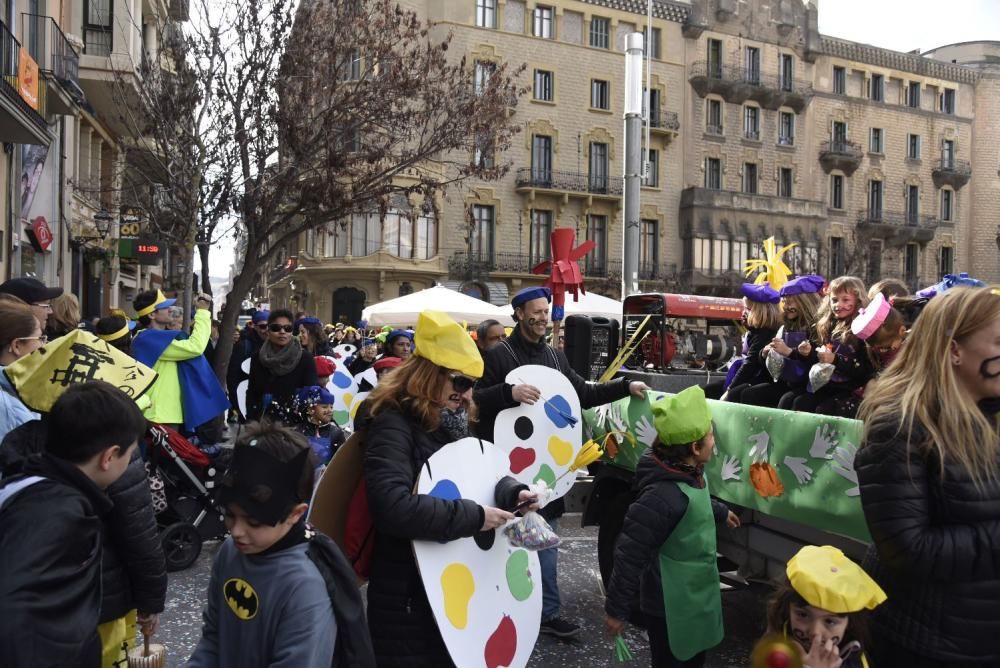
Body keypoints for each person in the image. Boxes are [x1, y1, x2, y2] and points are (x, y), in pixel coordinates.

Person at [363, 310, 538, 666]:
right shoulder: (392, 424)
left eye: (472, 383)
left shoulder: (452, 420)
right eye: (459, 382)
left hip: (451, 584)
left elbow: (473, 478)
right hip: (409, 593)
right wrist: (475, 517)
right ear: (428, 376)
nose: (467, 393)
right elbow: (392, 507)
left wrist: (513, 492)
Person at [475, 286, 649, 639]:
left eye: (546, 310)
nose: (542, 317)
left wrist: (624, 385)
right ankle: (500, 609)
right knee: (502, 541)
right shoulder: (498, 356)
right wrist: (509, 394)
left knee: (546, 542)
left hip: (546, 469)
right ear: (520, 314)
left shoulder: (556, 357)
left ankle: (548, 614)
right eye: (535, 311)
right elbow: (475, 402)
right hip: (505, 466)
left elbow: (583, 393)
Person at [856, 286, 1000, 666]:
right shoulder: (899, 426)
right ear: (954, 350)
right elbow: (907, 547)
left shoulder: (992, 416)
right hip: (927, 644)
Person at [187, 422, 374, 668]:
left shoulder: (305, 586)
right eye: (230, 515)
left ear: (296, 514)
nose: (236, 531)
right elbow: (213, 636)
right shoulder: (230, 552)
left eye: (254, 522)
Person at [0, 382, 147, 667]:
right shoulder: (59, 513)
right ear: (109, 457)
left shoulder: (28, 484)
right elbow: (12, 612)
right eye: (129, 455)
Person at [605, 386, 739, 667]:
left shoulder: (688, 473)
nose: (714, 442)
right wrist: (617, 610)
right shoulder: (660, 497)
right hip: (669, 606)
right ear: (694, 448)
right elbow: (630, 554)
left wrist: (719, 511)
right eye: (711, 435)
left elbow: (692, 503)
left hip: (694, 597)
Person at [765, 545, 886, 668]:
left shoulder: (854, 661)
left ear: (849, 624)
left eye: (829, 621)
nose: (815, 632)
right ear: (787, 609)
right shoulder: (776, 640)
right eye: (803, 614)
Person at [131, 290, 229, 432]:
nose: (170, 309)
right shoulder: (146, 339)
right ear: (152, 315)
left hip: (164, 414)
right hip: (158, 415)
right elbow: (195, 347)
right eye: (164, 307)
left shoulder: (153, 337)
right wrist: (202, 312)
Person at [782, 276, 873, 417]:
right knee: (791, 401)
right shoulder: (827, 325)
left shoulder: (862, 330)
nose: (838, 305)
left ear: (858, 300)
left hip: (849, 390)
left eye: (845, 300)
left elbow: (864, 370)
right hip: (824, 385)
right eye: (834, 300)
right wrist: (806, 353)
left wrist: (836, 360)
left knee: (822, 409)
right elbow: (817, 357)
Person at [740, 274, 824, 408]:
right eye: (784, 301)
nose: (786, 306)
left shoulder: (817, 328)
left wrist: (790, 352)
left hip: (809, 385)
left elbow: (817, 361)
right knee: (750, 394)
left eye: (791, 301)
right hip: (785, 381)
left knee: (789, 401)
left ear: (806, 302)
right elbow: (766, 362)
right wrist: (765, 353)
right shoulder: (785, 327)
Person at [246, 309, 318, 421]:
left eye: (287, 328)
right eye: (276, 328)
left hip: (295, 425)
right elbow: (252, 392)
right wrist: (251, 419)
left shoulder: (305, 358)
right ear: (268, 330)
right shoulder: (258, 357)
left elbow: (311, 394)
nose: (282, 332)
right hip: (264, 424)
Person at [723, 283, 781, 403]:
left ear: (761, 312)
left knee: (737, 393)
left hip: (761, 379)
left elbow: (750, 365)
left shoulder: (765, 333)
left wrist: (728, 390)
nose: (743, 313)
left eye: (748, 309)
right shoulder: (754, 331)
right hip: (751, 377)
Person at [0, 300, 44, 440]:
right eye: (40, 338)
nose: (45, 345)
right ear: (17, 345)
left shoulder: (13, 388)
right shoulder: (8, 406)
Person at [228, 310, 270, 421]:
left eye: (270, 326)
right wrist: (237, 405)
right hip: (249, 404)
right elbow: (233, 377)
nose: (266, 330)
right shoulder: (244, 345)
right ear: (254, 327)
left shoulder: (276, 345)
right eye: (263, 326)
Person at [292, 385, 345, 468]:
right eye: (324, 407)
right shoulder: (297, 431)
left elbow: (340, 465)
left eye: (331, 407)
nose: (330, 410)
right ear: (310, 410)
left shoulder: (336, 433)